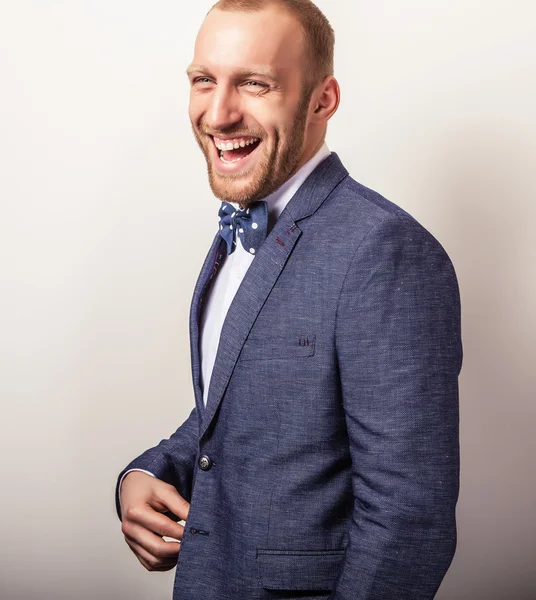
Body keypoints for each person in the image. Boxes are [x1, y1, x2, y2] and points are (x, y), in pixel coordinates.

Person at [115, 1, 462, 599]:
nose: (218, 114)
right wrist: (148, 471)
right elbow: (242, 413)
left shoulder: (386, 251)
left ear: (323, 100)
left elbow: (408, 520)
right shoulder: (242, 228)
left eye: (254, 83)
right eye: (204, 80)